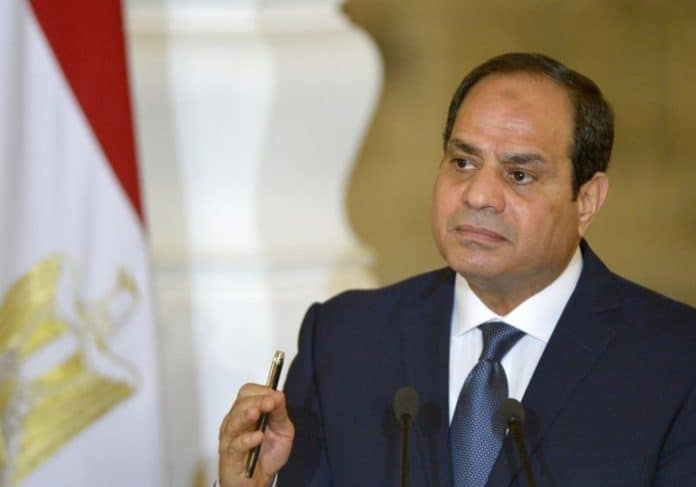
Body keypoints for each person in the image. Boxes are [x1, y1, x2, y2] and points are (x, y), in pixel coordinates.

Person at [216, 53, 696, 486]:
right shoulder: (344, 341)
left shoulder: (676, 361)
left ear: (586, 200)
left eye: (519, 175)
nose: (479, 195)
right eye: (463, 162)